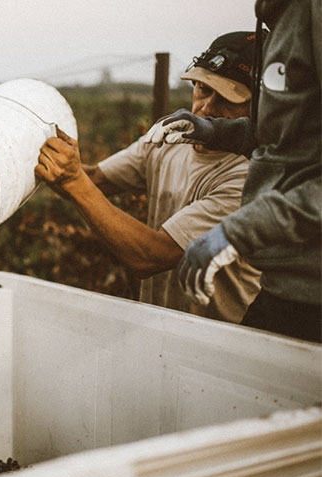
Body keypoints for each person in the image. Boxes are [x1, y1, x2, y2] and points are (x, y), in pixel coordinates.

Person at [35, 31, 265, 324]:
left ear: (261, 108)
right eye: (203, 89)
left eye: (228, 99)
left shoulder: (250, 176)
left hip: (220, 339)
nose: (207, 108)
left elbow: (150, 256)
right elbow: (94, 179)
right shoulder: (172, 137)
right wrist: (36, 152)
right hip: (158, 327)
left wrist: (72, 180)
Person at [146, 0, 320, 343]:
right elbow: (293, 135)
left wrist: (242, 229)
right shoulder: (281, 13)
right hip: (282, 286)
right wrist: (218, 132)